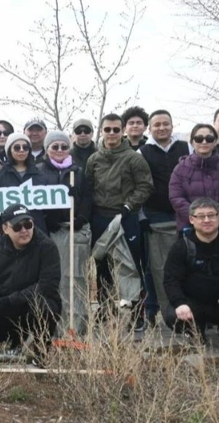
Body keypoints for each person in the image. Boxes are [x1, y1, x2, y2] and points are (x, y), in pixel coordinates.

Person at [0, 204, 61, 356]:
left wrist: (12, 300)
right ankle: (14, 339)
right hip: (5, 304)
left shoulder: (47, 246)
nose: (24, 230)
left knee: (44, 307)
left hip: (34, 303)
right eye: (17, 227)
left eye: (28, 225)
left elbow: (47, 286)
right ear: (5, 229)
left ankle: (41, 349)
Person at [86, 113, 154, 329]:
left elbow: (146, 186)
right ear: (102, 130)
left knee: (132, 266)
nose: (112, 133)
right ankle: (105, 310)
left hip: (126, 217)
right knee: (102, 266)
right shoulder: (94, 159)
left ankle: (137, 314)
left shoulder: (134, 157)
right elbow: (88, 188)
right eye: (108, 129)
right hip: (100, 218)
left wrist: (128, 206)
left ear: (123, 130)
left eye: (116, 129)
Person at [36, 131, 92, 333]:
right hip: (53, 231)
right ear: (47, 149)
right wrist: (47, 219)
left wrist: (81, 218)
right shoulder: (39, 171)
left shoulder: (78, 171)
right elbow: (36, 199)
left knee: (76, 276)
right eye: (55, 147)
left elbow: (87, 196)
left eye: (64, 146)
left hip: (75, 229)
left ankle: (77, 325)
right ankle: (55, 325)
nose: (59, 150)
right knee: (56, 277)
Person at [138, 110, 191, 325]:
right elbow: (141, 184)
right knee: (159, 267)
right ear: (150, 128)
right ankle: (167, 311)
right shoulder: (143, 152)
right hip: (156, 215)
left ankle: (190, 309)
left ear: (172, 125)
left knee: (187, 263)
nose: (162, 128)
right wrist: (143, 216)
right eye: (157, 124)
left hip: (186, 214)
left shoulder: (185, 147)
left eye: (165, 124)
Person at [163, 198, 219, 342]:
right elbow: (171, 280)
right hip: (194, 305)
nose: (206, 220)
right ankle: (196, 332)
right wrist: (180, 303)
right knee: (172, 315)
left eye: (211, 215)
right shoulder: (182, 247)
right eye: (201, 216)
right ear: (192, 219)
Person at [170, 124, 219, 231]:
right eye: (199, 138)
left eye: (209, 138)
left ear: (215, 142)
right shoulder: (180, 169)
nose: (204, 142)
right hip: (191, 228)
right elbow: (176, 198)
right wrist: (198, 219)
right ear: (192, 142)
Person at [0, 132, 48, 234]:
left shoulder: (40, 175)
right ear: (9, 150)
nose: (21, 150)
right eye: (17, 147)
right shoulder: (0, 177)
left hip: (37, 230)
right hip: (11, 232)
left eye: (25, 147)